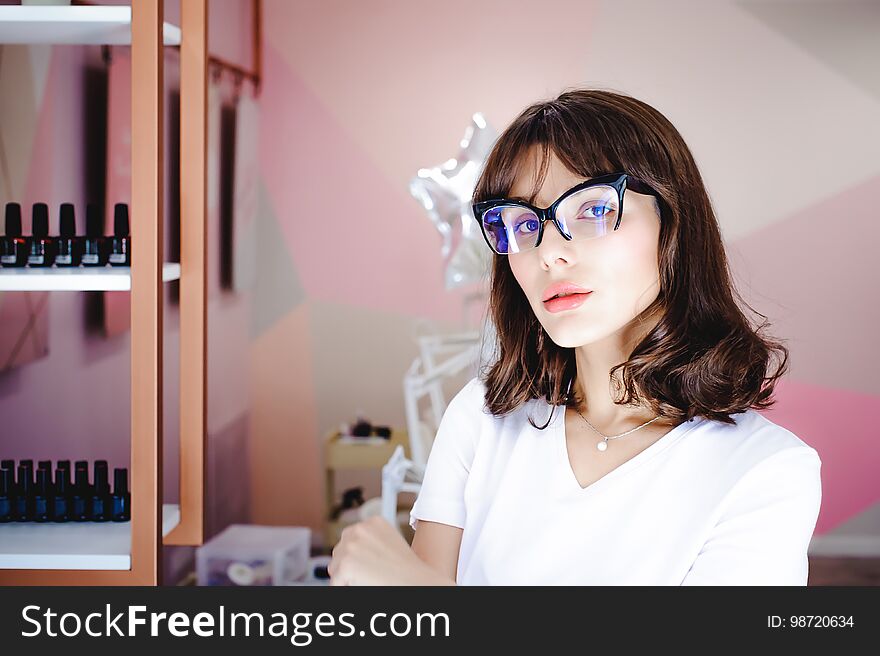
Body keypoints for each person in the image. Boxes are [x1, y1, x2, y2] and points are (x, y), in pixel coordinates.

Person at [327, 88, 822, 586]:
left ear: (674, 223)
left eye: (591, 210)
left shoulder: (767, 471)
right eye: (520, 223)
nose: (547, 253)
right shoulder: (481, 419)